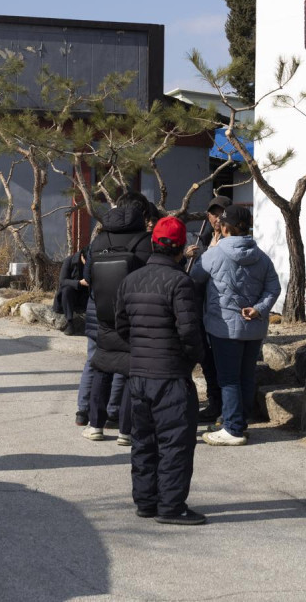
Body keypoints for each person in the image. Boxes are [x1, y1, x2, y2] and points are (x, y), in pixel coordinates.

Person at [118, 215, 206, 525]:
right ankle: (171, 507)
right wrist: (192, 360)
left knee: (144, 441)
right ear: (181, 249)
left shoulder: (130, 280)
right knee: (175, 443)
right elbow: (190, 334)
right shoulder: (181, 282)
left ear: (154, 243)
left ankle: (146, 501)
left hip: (139, 376)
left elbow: (121, 326)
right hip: (171, 377)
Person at [191, 204, 280, 446]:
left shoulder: (214, 254)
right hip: (253, 327)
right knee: (245, 376)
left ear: (225, 227)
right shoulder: (261, 256)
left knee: (228, 378)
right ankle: (238, 422)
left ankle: (232, 428)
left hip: (224, 327)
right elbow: (274, 287)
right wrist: (259, 309)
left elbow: (194, 278)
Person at [82, 191, 156, 443]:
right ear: (142, 214)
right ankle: (126, 431)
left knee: (102, 368)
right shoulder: (146, 241)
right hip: (134, 316)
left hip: (104, 314)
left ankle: (95, 426)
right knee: (129, 372)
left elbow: (88, 278)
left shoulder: (99, 240)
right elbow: (150, 278)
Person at [183, 194, 231, 425]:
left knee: (222, 360)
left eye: (220, 213)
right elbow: (191, 275)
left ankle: (225, 407)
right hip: (200, 308)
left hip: (222, 309)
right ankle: (214, 403)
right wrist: (188, 256)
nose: (215, 217)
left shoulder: (233, 240)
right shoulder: (201, 237)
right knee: (207, 360)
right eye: (213, 213)